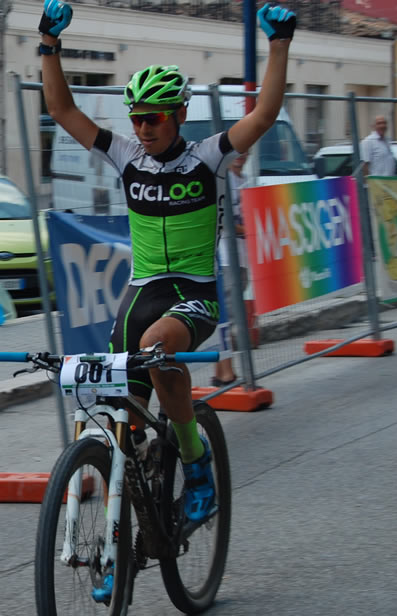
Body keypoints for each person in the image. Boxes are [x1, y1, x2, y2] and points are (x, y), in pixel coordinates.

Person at [39, 0, 295, 580]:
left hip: (194, 294)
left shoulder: (208, 157)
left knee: (158, 346)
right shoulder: (126, 155)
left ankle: (197, 464)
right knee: (112, 415)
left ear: (179, 115)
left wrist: (278, 46)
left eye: (154, 118)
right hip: (142, 291)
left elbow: (266, 112)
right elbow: (61, 107)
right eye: (136, 118)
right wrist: (48, 45)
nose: (143, 128)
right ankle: (114, 534)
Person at [212, 151, 249, 386]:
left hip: (242, 256)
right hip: (226, 255)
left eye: (245, 150)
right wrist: (247, 229)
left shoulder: (245, 179)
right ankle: (225, 372)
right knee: (225, 315)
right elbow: (221, 217)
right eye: (237, 150)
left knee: (231, 316)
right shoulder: (223, 179)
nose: (241, 154)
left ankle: (222, 371)